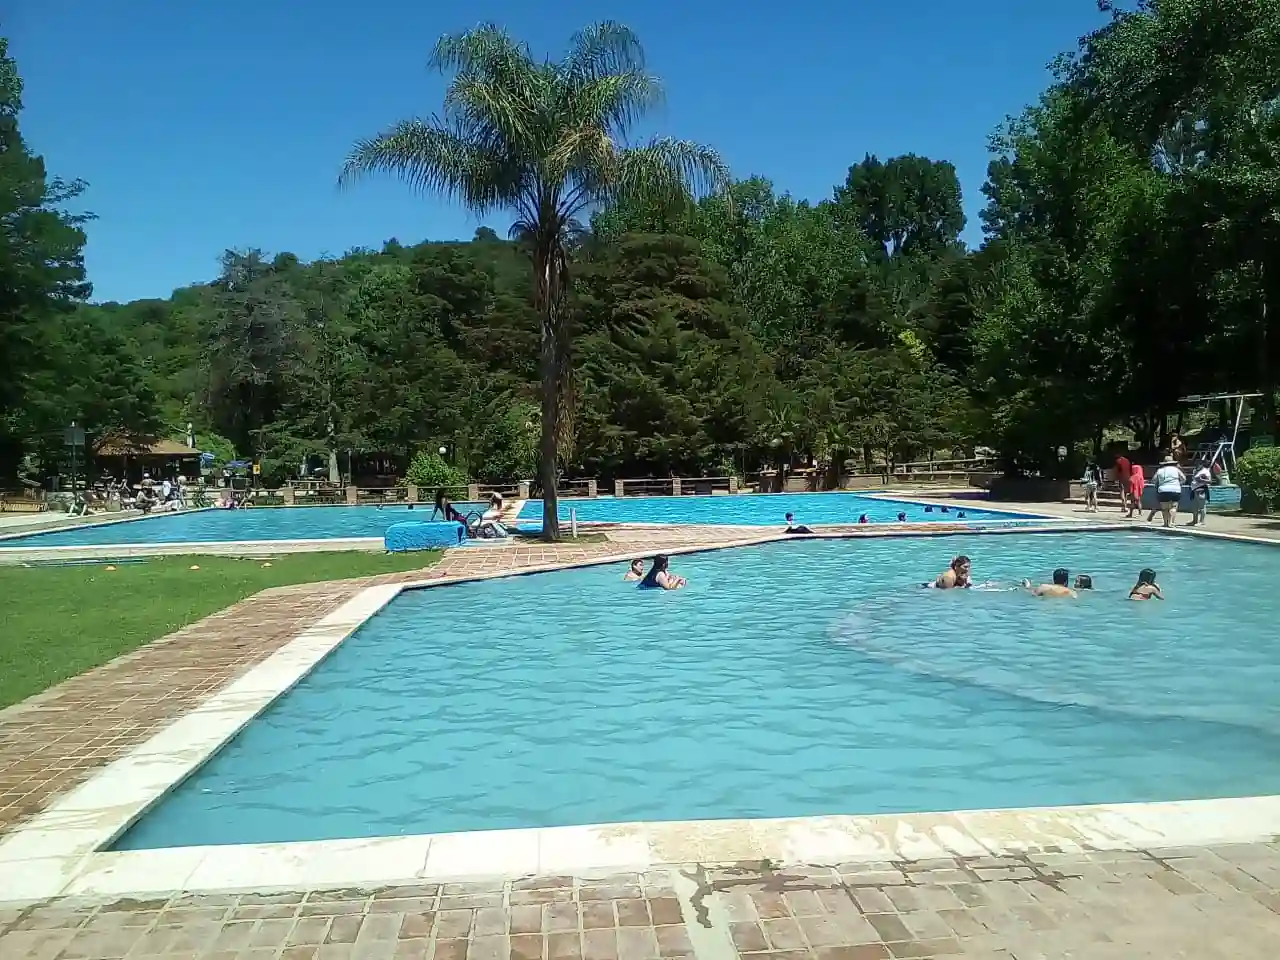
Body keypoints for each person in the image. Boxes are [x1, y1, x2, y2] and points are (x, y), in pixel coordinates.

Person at [1147, 454, 1185, 528]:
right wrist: (1179, 484)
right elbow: (1184, 478)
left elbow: (1153, 480)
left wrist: (1160, 483)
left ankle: (1165, 523)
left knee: (1165, 508)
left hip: (1163, 490)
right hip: (1175, 489)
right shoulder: (1176, 470)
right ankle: (1171, 523)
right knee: (1173, 507)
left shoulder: (1160, 470)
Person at [1189, 460, 1212, 527]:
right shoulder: (1195, 471)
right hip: (1194, 490)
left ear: (1201, 465)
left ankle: (1202, 522)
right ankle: (1194, 520)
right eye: (1196, 464)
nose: (1197, 466)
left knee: (1202, 506)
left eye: (1198, 464)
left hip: (1201, 490)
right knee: (1194, 507)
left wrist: (1201, 480)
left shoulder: (1205, 471)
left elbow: (1209, 481)